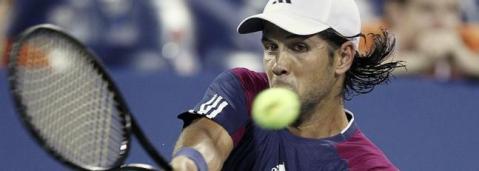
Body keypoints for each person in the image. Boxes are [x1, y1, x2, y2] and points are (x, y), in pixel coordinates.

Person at [171, 0, 402, 170]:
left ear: (343, 57)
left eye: (298, 47)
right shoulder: (244, 89)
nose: (278, 65)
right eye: (271, 47)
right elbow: (208, 139)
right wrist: (190, 163)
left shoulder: (367, 167)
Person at [383, 0, 479, 80]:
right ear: (397, 13)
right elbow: (369, 68)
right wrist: (422, 59)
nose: (441, 21)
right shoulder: (375, 35)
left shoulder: (469, 38)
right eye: (427, 9)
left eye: (451, 10)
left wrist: (462, 57)